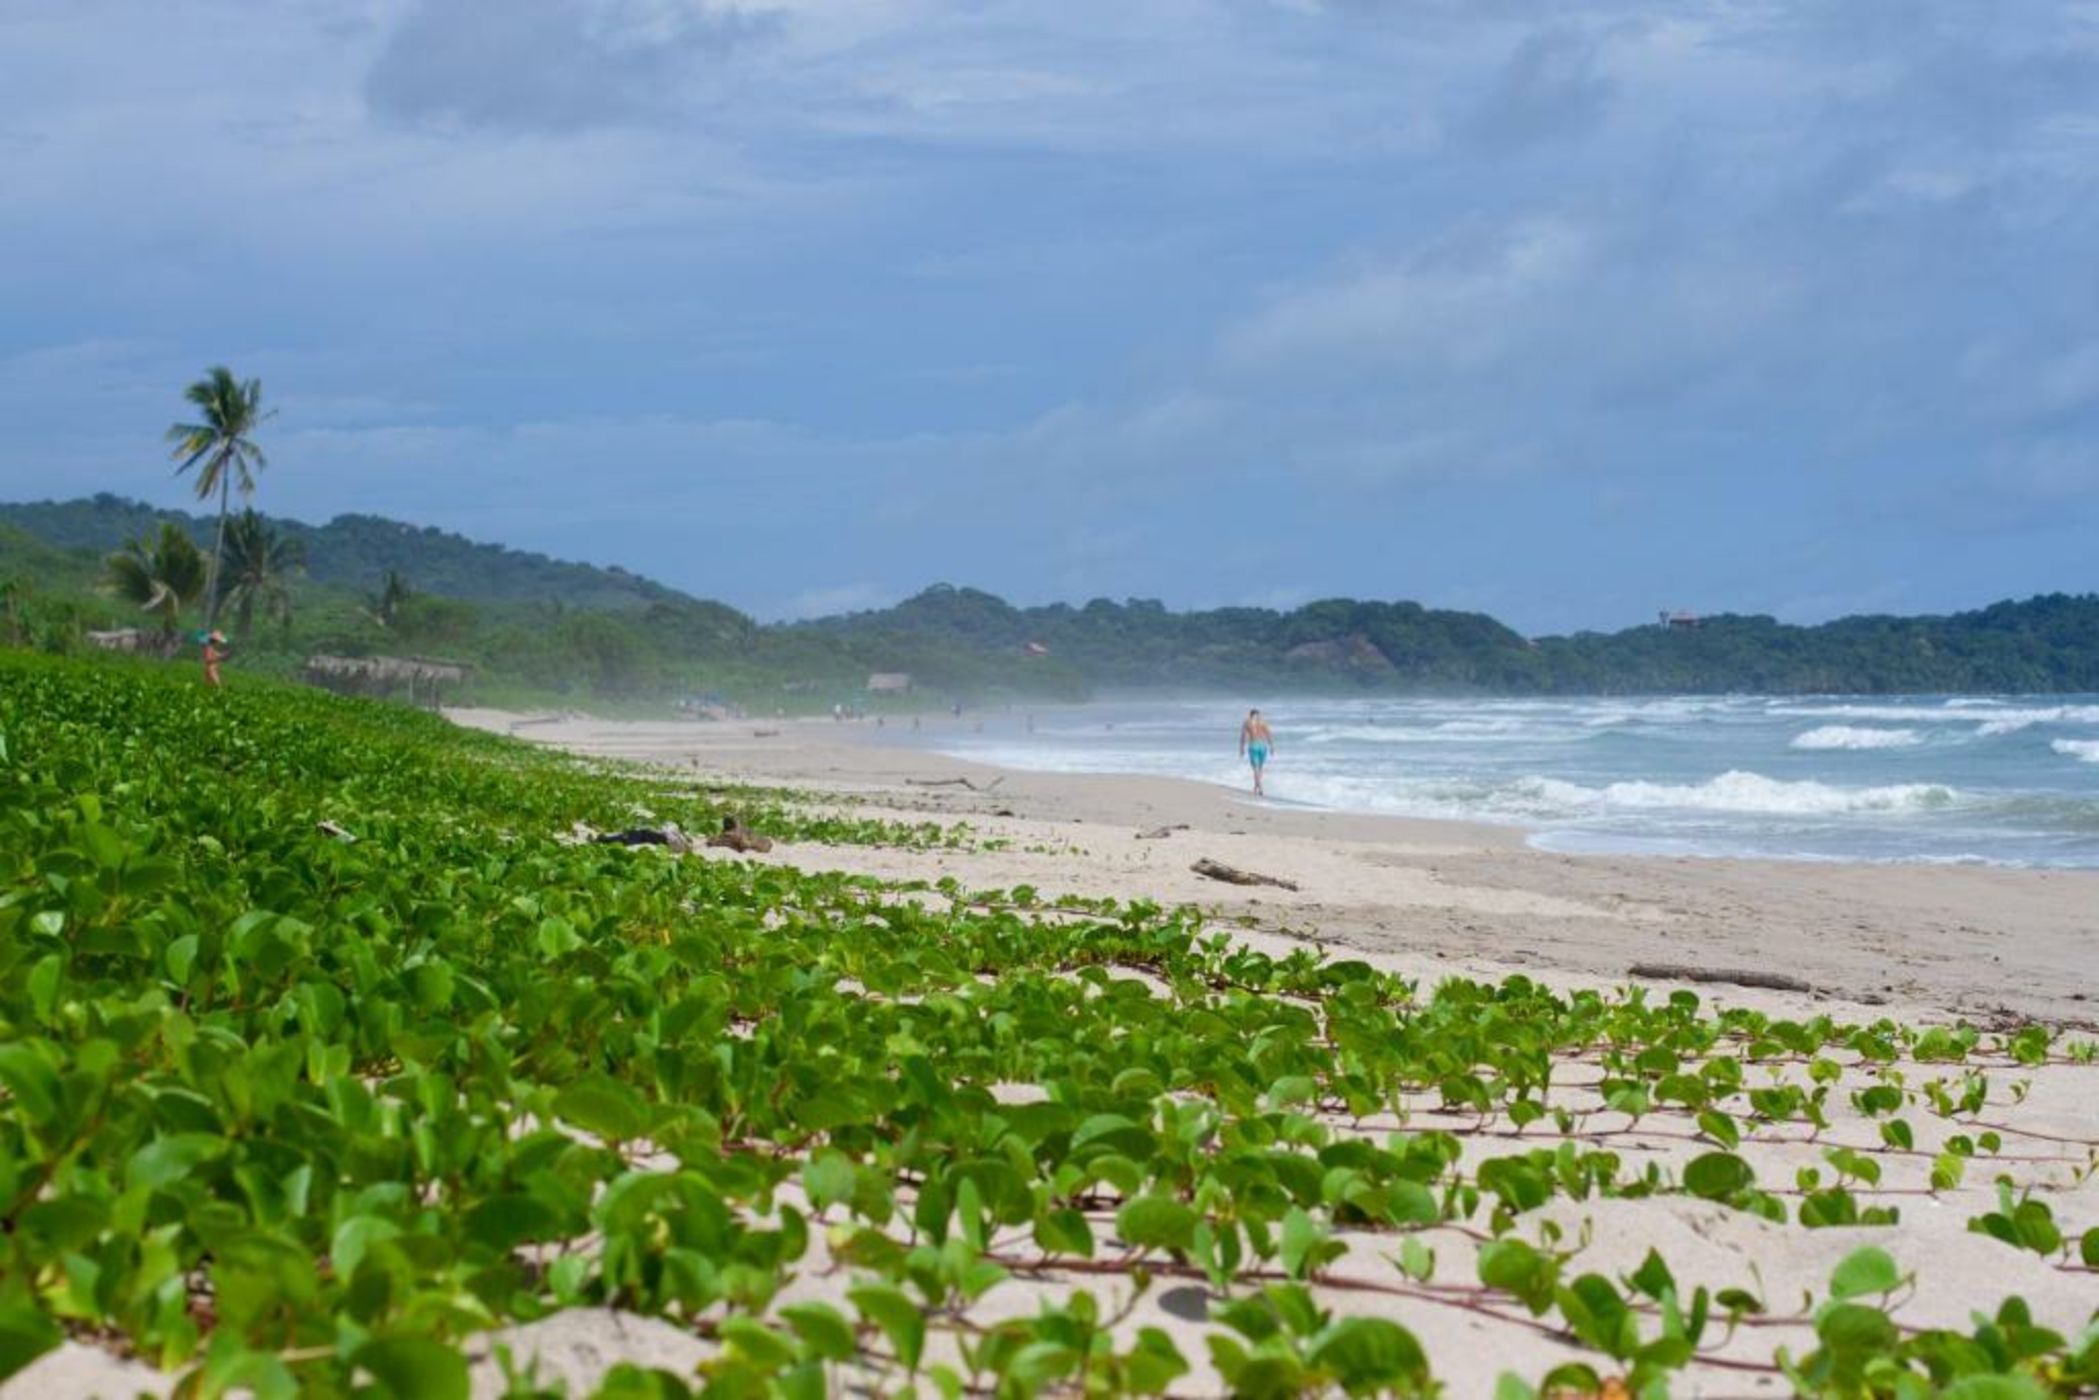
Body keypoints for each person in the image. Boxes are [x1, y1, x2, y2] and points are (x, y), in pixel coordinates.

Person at [1238, 708, 1274, 796]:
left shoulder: (1247, 723)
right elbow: (1268, 734)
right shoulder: (1263, 722)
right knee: (1260, 768)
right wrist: (1271, 746)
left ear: (1250, 715)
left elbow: (1243, 736)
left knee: (1256, 769)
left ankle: (1259, 787)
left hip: (1253, 745)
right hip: (1263, 746)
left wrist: (1241, 748)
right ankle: (1256, 786)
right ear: (1258, 715)